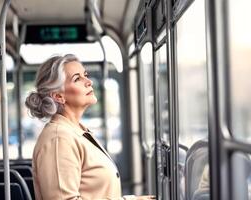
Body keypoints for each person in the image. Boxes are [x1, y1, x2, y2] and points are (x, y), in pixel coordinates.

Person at [25, 54, 155, 200]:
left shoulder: (76, 131)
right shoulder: (58, 139)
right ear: (58, 96)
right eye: (77, 79)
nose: (89, 82)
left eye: (85, 75)